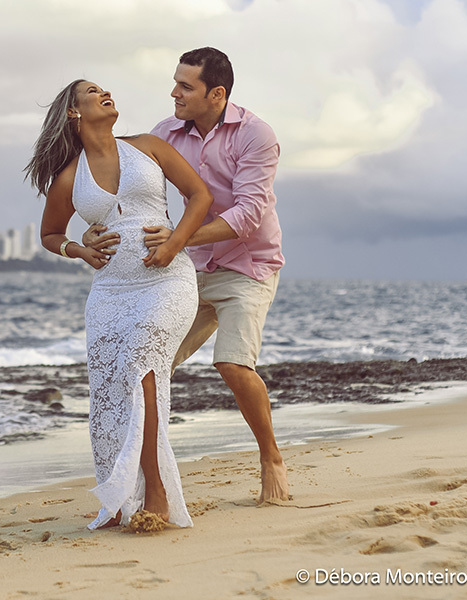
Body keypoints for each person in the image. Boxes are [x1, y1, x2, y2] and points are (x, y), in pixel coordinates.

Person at [83, 47, 289, 505]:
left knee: (232, 364)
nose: (173, 92)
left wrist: (178, 238)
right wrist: (93, 229)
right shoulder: (164, 134)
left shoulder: (256, 134)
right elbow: (130, 190)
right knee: (146, 362)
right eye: (175, 82)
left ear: (216, 94)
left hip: (247, 265)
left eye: (185, 86)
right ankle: (145, 480)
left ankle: (270, 456)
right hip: (185, 269)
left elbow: (249, 213)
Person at [25, 79, 213, 529]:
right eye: (93, 91)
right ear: (74, 112)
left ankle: (157, 489)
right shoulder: (70, 176)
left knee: (142, 360)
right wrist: (80, 249)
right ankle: (116, 498)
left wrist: (174, 243)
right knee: (108, 394)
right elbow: (50, 234)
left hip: (167, 280)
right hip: (110, 294)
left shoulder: (148, 147)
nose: (105, 91)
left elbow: (200, 197)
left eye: (104, 88)